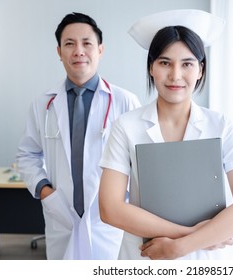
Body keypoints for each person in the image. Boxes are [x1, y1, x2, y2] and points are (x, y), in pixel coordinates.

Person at [98, 9, 233, 260]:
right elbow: (110, 208)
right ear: (151, 68)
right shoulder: (126, 126)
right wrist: (189, 234)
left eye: (187, 64)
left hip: (208, 261)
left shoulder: (221, 126)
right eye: (165, 63)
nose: (175, 75)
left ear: (201, 70)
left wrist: (181, 246)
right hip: (146, 256)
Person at [16, 12, 140, 260]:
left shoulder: (125, 101)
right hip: (61, 216)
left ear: (100, 49)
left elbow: (140, 163)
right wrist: (44, 191)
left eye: (87, 43)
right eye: (69, 44)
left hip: (109, 220)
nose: (78, 51)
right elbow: (27, 155)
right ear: (59, 51)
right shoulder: (43, 104)